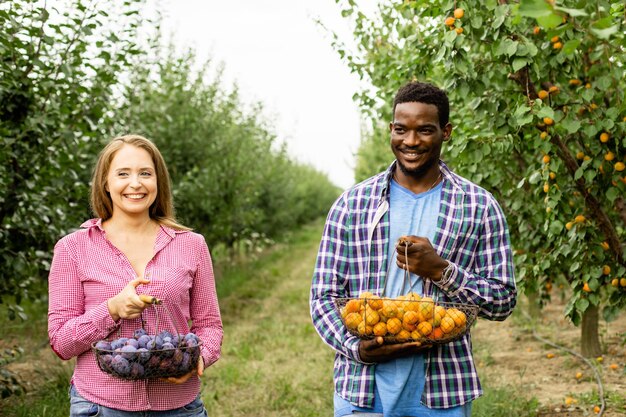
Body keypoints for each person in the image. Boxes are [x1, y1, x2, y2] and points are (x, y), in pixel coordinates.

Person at [310, 81, 517, 417]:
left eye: (425, 130)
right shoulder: (352, 204)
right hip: (362, 390)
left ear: (445, 132)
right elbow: (322, 297)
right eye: (401, 129)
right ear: (391, 130)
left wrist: (441, 271)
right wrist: (357, 349)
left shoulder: (479, 206)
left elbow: (503, 301)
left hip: (443, 391)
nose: (410, 141)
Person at [48, 134, 223, 416]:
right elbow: (61, 342)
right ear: (105, 182)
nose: (136, 183)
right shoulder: (72, 248)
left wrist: (197, 358)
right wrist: (111, 310)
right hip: (100, 406)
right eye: (123, 173)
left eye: (145, 173)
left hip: (179, 406)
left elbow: (210, 325)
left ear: (158, 181)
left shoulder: (192, 244)